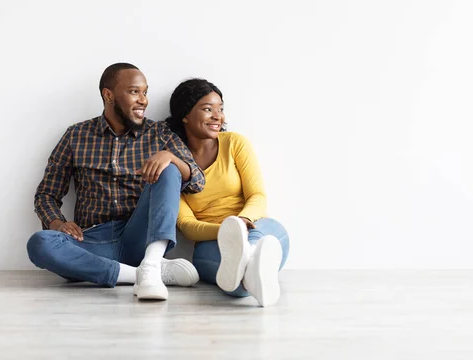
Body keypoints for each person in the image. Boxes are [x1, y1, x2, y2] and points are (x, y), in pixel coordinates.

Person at [27, 63, 205, 301]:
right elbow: (45, 195)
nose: (143, 100)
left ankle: (151, 263)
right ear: (108, 95)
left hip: (139, 236)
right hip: (91, 241)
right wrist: (58, 224)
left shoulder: (159, 133)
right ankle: (141, 274)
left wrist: (171, 157)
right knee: (39, 243)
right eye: (134, 92)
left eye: (145, 92)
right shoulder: (76, 135)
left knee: (170, 168)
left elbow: (198, 181)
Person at [166, 78, 290, 307]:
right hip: (211, 241)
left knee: (272, 233)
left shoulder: (235, 143)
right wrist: (227, 231)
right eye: (207, 109)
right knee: (237, 284)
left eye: (220, 109)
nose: (218, 116)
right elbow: (186, 224)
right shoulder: (175, 165)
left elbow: (257, 196)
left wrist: (243, 222)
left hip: (255, 227)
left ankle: (250, 255)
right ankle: (254, 271)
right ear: (185, 115)